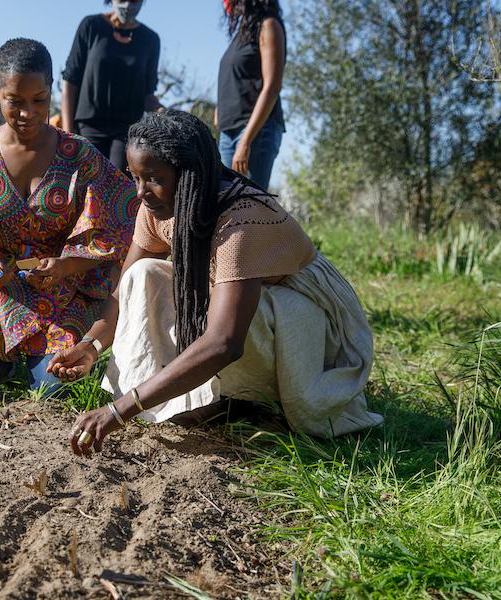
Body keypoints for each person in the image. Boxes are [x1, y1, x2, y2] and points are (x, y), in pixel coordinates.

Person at [47, 110, 382, 454]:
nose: (141, 191)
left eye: (153, 178)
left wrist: (120, 411)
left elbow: (225, 341)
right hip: (242, 299)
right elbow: (123, 291)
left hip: (308, 316)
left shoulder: (241, 219)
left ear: (189, 174)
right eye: (135, 177)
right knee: (142, 275)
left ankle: (258, 401)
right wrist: (90, 346)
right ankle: (205, 399)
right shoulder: (159, 205)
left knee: (242, 314)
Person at [0, 38, 138, 407]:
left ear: (51, 93)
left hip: (58, 297)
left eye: (39, 100)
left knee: (56, 391)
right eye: (15, 101)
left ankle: (32, 363)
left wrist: (67, 265)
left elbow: (123, 222)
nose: (28, 113)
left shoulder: (79, 155)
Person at [61, 1, 161, 172]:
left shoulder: (150, 40)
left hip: (126, 131)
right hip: (88, 128)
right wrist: (68, 136)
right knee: (87, 181)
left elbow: (148, 94)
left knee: (117, 181)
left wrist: (163, 113)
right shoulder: (91, 26)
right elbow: (70, 81)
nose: (128, 4)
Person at [215, 0, 286, 190]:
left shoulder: (269, 26)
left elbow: (272, 87)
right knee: (227, 205)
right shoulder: (242, 34)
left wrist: (245, 142)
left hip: (255, 133)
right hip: (229, 133)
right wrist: (219, 111)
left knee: (249, 207)